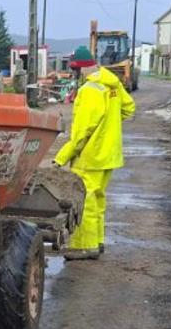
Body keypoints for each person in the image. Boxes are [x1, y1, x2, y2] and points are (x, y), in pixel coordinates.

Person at [52, 45, 136, 260]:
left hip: (91, 156)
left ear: (80, 69)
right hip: (109, 154)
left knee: (84, 201)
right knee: (98, 199)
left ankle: (84, 246)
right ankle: (97, 241)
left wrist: (61, 158)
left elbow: (81, 134)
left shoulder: (90, 90)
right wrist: (108, 127)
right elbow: (129, 108)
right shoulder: (111, 83)